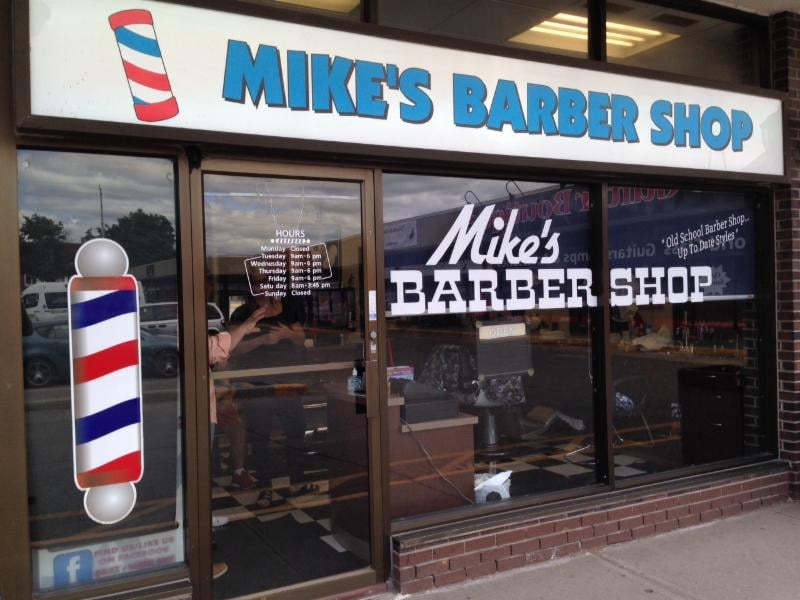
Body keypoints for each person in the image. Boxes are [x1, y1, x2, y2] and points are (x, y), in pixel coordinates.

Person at [229, 294, 316, 506]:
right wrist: (263, 340)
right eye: (257, 282)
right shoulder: (242, 314)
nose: (262, 287)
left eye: (267, 280)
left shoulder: (289, 306)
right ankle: (265, 488)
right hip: (258, 385)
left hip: (288, 383)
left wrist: (288, 334)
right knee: (260, 438)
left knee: (296, 431)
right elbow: (234, 348)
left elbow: (301, 338)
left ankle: (297, 481)